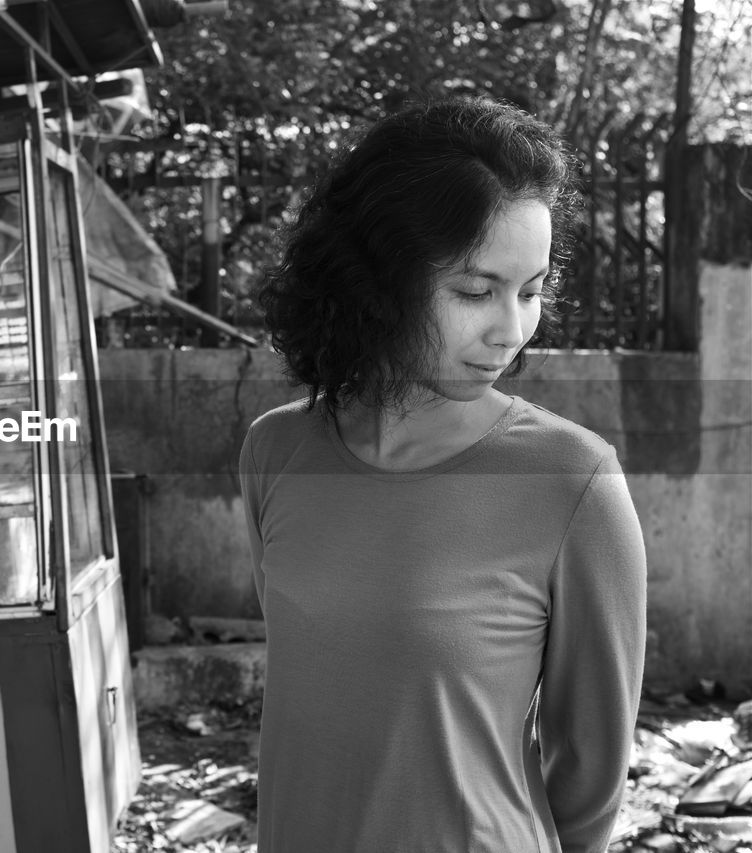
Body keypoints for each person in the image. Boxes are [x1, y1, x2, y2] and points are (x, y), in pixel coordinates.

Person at [239, 98, 647, 853]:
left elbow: (590, 774)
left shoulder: (574, 481)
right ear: (379, 278)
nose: (511, 330)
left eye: (530, 291)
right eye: (475, 291)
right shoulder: (276, 452)